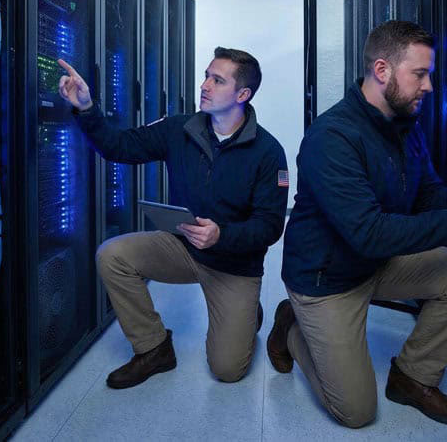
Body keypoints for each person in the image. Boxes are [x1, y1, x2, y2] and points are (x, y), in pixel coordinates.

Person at [267, 20, 447, 428]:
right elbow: (368, 233)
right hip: (326, 279)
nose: (429, 86)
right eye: (419, 74)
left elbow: (425, 197)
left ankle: (413, 377)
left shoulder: (405, 127)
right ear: (382, 70)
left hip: (375, 263)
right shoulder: (331, 137)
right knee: (355, 412)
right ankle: (293, 328)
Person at [58, 47, 288, 389]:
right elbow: (118, 147)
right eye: (206, 76)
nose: (204, 85)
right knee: (113, 255)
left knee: (226, 369)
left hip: (234, 265)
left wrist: (221, 235)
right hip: (183, 248)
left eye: (217, 80)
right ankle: (153, 348)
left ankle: (246, 311)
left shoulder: (269, 152)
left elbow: (270, 226)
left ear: (242, 95)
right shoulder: (179, 129)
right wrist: (87, 108)